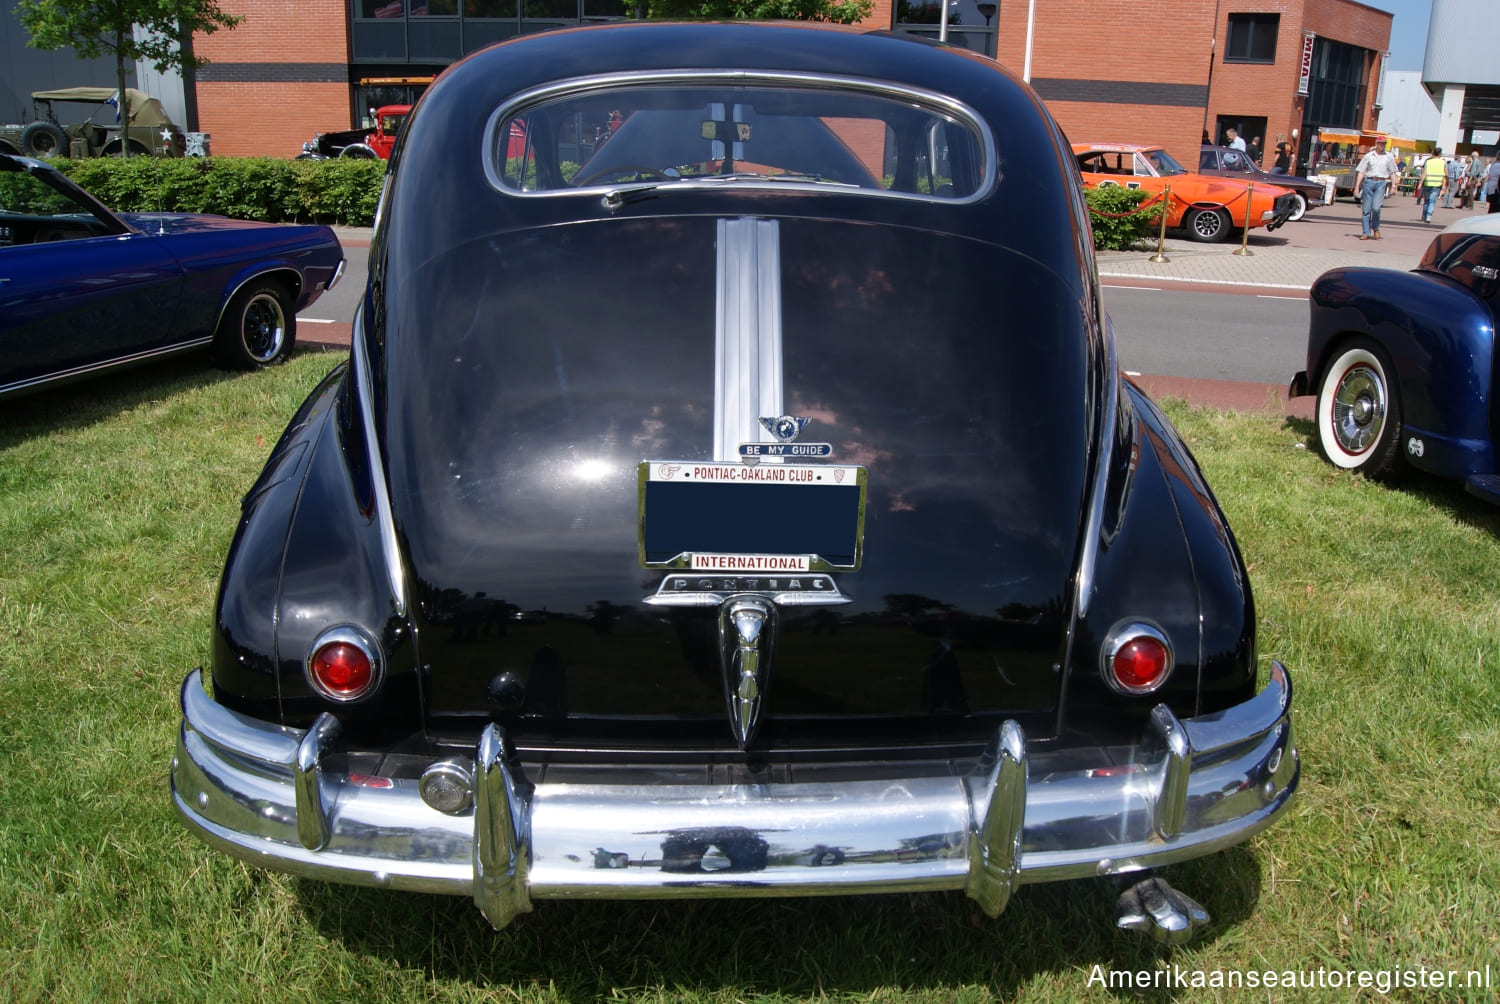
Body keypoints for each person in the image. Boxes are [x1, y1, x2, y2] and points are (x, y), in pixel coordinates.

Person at [1353, 137, 1399, 239]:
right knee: (1366, 209)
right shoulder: (1368, 156)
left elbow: (1392, 172)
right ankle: (1366, 232)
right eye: (1380, 143)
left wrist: (1394, 186)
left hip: (1381, 182)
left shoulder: (1388, 156)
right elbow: (1361, 172)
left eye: (1384, 143)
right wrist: (1357, 187)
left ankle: (1375, 227)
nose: (1382, 145)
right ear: (1376, 143)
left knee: (1376, 208)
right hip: (1369, 181)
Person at [1420, 147, 1447, 222]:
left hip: (1427, 183)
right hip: (1437, 184)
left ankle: (1424, 216)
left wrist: (1420, 183)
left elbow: (1424, 173)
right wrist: (1444, 186)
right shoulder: (1443, 162)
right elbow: (1446, 175)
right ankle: (1429, 216)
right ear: (1440, 154)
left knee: (1426, 201)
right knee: (1432, 201)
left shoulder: (1428, 162)